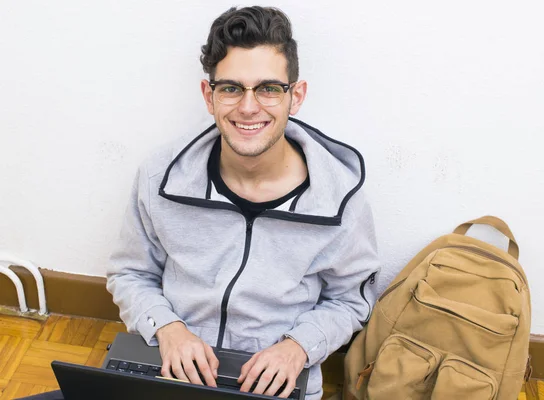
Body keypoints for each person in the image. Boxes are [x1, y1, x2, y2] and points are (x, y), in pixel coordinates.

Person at [18, 6, 380, 400]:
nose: (248, 106)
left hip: (273, 383)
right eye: (231, 88)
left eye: (268, 88)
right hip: (170, 368)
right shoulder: (160, 176)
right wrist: (167, 329)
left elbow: (349, 298)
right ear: (209, 96)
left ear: (296, 96)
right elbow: (130, 273)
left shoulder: (342, 198)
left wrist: (297, 348)